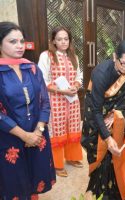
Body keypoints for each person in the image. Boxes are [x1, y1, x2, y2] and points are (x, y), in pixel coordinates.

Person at [0, 21, 56, 199]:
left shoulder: (31, 68)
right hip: (9, 137)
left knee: (35, 178)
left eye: (21, 41)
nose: (19, 46)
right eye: (12, 41)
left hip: (36, 134)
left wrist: (38, 131)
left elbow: (45, 102)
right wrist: (25, 136)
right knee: (14, 182)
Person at [82, 40, 125, 199]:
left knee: (116, 157)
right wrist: (107, 139)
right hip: (96, 115)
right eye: (124, 63)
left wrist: (115, 112)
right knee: (100, 154)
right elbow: (95, 109)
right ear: (115, 57)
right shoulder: (101, 73)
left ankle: (114, 187)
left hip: (118, 118)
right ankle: (99, 188)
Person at [38, 26, 83, 177]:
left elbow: (79, 76)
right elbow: (42, 80)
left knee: (73, 128)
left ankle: (72, 157)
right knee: (57, 130)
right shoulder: (46, 56)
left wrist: (76, 85)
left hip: (72, 100)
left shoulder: (74, 56)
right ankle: (57, 164)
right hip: (55, 99)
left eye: (66, 39)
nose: (63, 42)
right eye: (59, 39)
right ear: (53, 41)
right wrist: (62, 91)